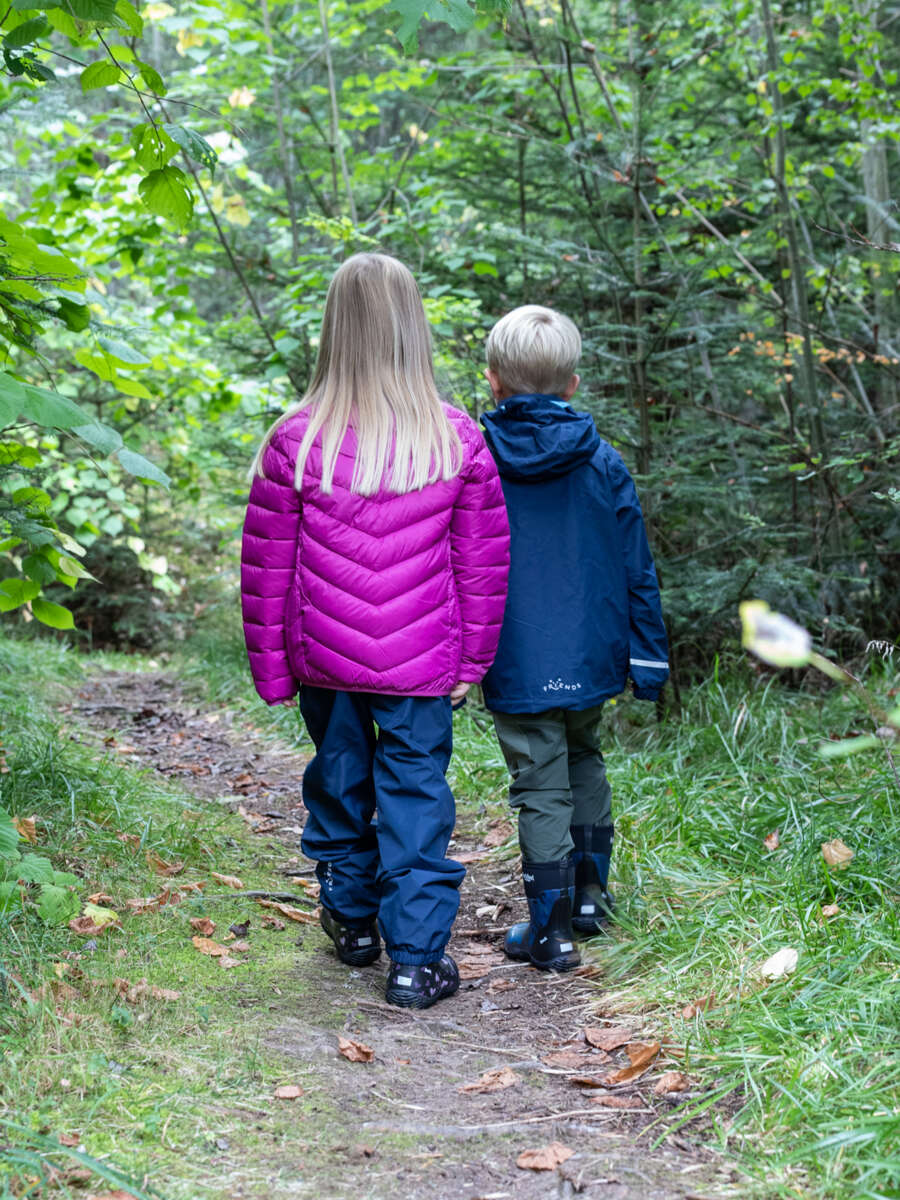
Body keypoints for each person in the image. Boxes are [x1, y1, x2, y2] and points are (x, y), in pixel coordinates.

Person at [241, 253, 510, 1008]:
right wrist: (473, 660)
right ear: (412, 331)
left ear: (336, 333)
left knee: (338, 781)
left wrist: (272, 668)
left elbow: (266, 570)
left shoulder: (296, 441)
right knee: (416, 795)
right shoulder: (455, 438)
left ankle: (354, 921)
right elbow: (482, 567)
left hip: (325, 661)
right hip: (423, 665)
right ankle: (417, 963)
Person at [479, 305, 668, 972]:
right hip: (592, 652)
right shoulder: (605, 463)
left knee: (538, 782)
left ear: (494, 381)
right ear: (573, 384)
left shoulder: (478, 462)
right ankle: (591, 899)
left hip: (517, 653)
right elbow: (635, 564)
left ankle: (551, 930)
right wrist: (648, 656)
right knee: (584, 756)